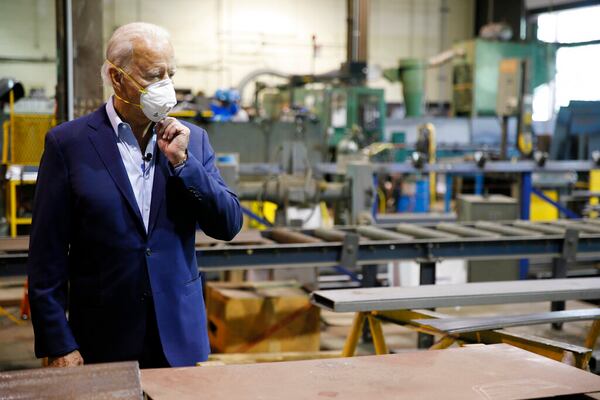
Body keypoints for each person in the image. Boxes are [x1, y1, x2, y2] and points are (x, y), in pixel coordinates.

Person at [27, 22, 242, 368]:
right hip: (102, 339)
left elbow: (229, 224)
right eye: (154, 75)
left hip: (178, 339)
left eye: (170, 74)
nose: (166, 86)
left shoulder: (193, 141)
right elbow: (46, 258)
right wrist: (58, 343)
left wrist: (185, 165)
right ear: (117, 78)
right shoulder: (68, 145)